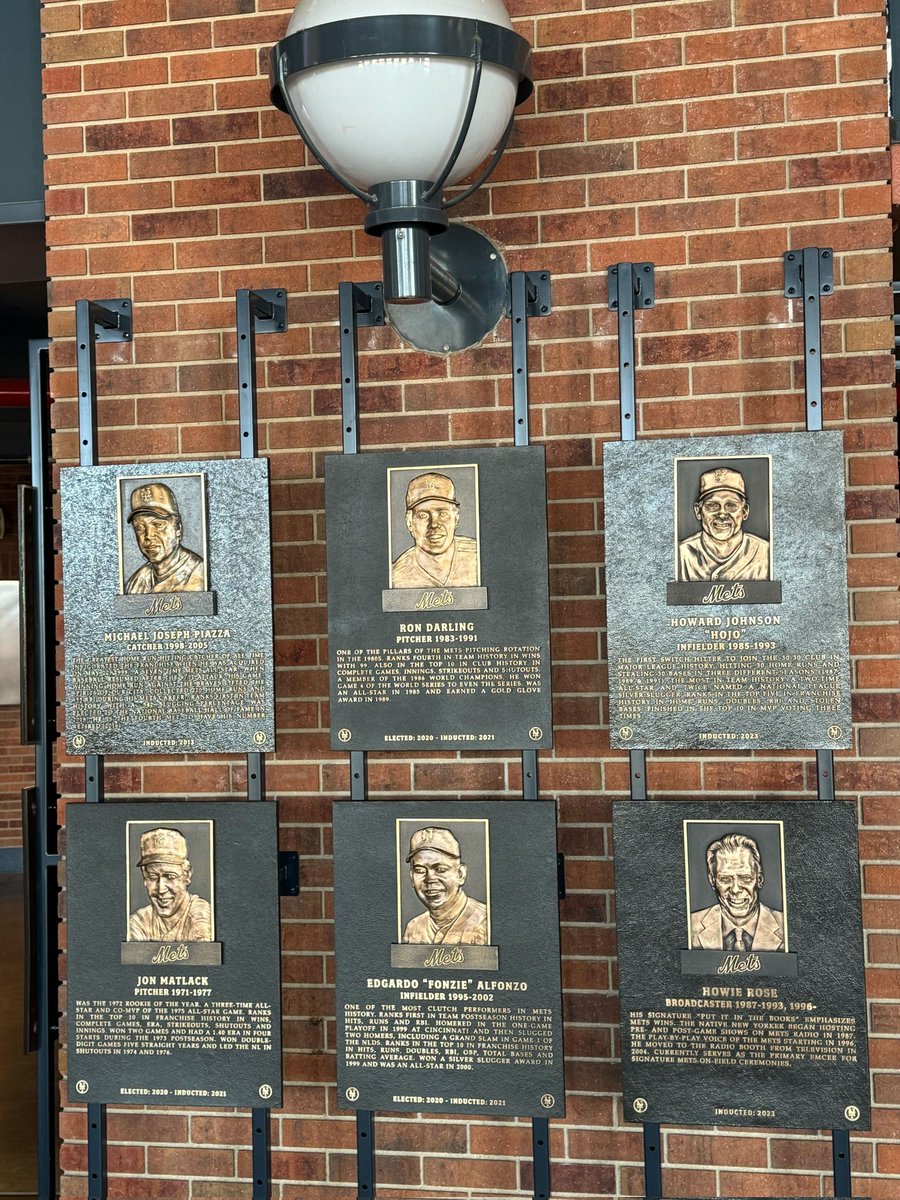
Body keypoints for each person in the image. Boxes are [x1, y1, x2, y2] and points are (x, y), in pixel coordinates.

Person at [690, 832, 784, 951]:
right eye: (725, 879)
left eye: (745, 878)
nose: (735, 889)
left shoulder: (785, 925)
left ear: (759, 879)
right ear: (712, 880)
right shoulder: (691, 925)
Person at [677, 466, 770, 582]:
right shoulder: (680, 553)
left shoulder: (766, 552)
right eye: (712, 505)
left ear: (744, 511)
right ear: (698, 511)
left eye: (731, 505)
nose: (722, 514)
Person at [391, 472, 478, 588]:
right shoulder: (395, 579)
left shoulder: (481, 557)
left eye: (442, 513)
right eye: (423, 515)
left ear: (456, 517)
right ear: (409, 522)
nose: (434, 524)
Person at [402, 826, 487, 945]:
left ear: (460, 874)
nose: (430, 879)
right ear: (411, 877)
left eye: (440, 869)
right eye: (420, 871)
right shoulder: (414, 928)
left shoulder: (485, 922)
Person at [128, 827, 212, 942]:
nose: (161, 889)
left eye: (170, 877)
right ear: (144, 877)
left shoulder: (202, 916)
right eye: (153, 877)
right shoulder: (139, 921)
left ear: (187, 876)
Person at [124, 481, 205, 593]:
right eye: (140, 528)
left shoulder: (201, 575)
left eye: (158, 525)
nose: (148, 536)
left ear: (178, 527)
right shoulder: (135, 583)